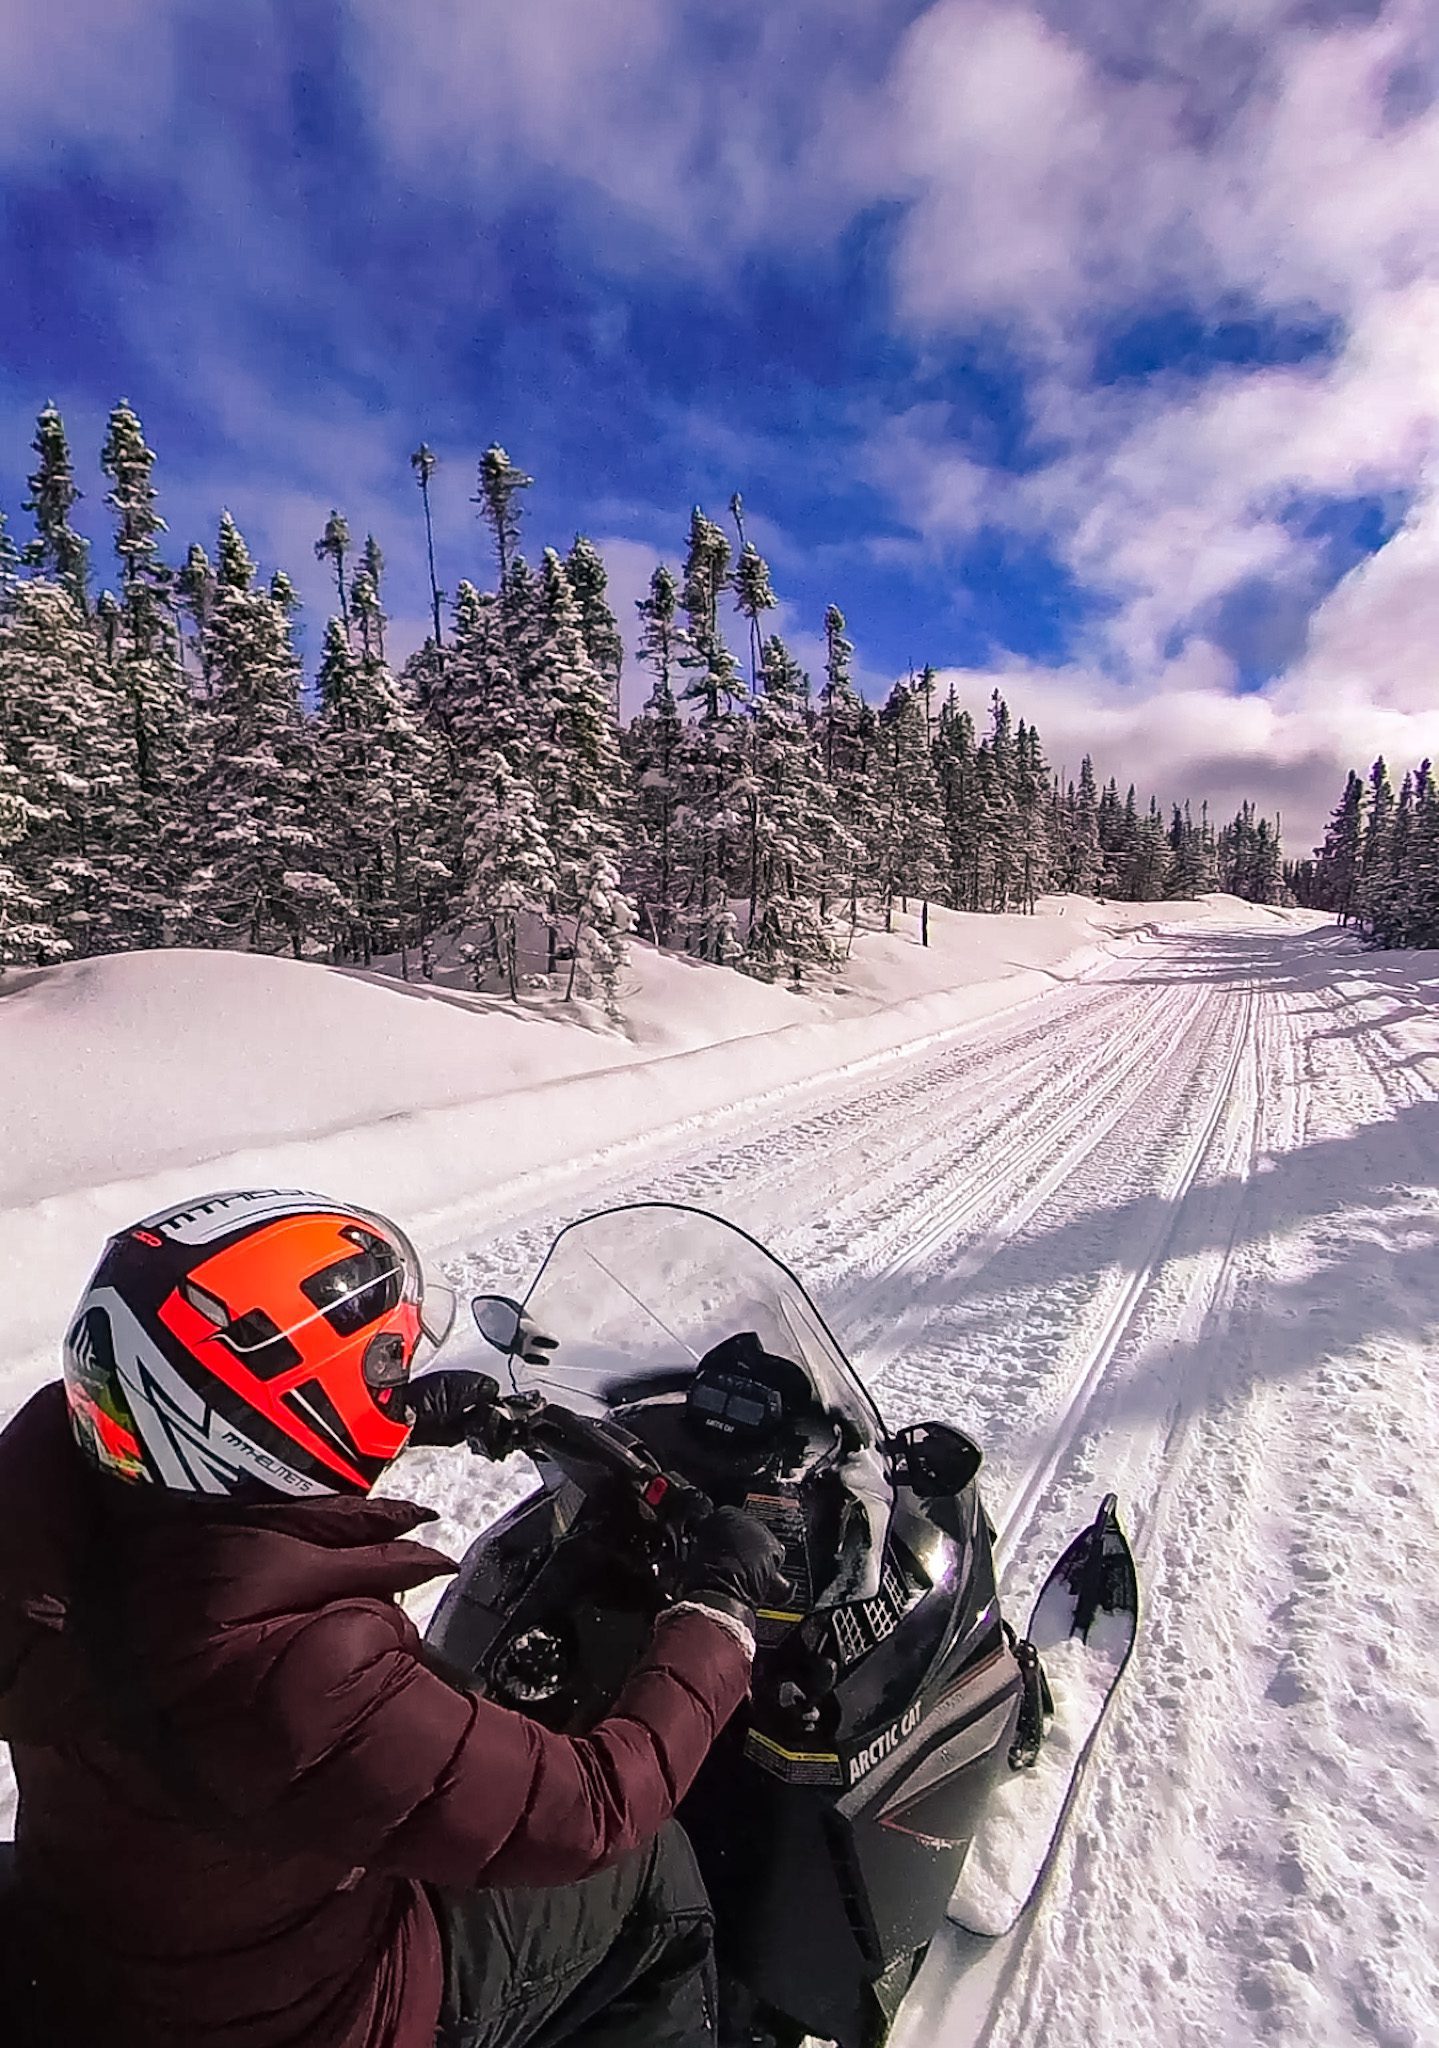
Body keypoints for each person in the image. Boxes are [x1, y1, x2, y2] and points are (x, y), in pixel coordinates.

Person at [0, 1189, 784, 2048]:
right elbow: (594, 1810)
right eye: (379, 1368)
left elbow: (216, 1444)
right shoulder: (288, 1667)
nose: (394, 1378)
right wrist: (717, 1616)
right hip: (318, 2016)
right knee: (652, 1874)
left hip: (113, 1958)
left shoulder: (46, 1523)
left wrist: (401, 1417)